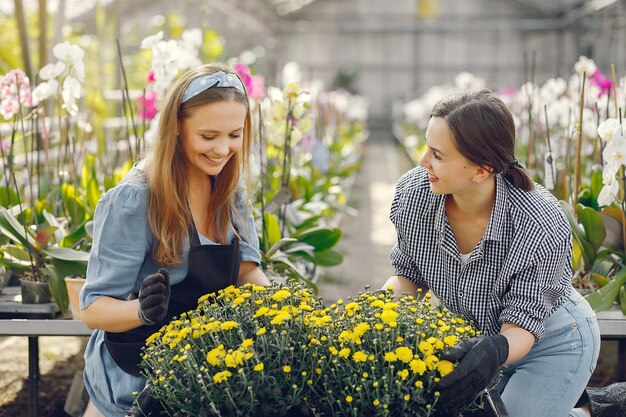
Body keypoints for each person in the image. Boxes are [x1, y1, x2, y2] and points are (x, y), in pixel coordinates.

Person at [382, 89, 605, 417]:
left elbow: (522, 327)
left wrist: (495, 349)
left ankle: (594, 411)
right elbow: (408, 278)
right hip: (481, 344)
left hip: (553, 340)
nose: (422, 161)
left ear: (481, 170)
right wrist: (377, 315)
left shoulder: (537, 221)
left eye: (437, 155)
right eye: (426, 147)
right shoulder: (416, 195)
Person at [79, 63, 269, 417]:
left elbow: (245, 272)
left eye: (234, 134)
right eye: (208, 136)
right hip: (138, 377)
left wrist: (281, 307)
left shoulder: (230, 191)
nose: (223, 149)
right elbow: (93, 310)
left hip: (207, 369)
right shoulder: (135, 199)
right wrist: (141, 310)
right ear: (177, 128)